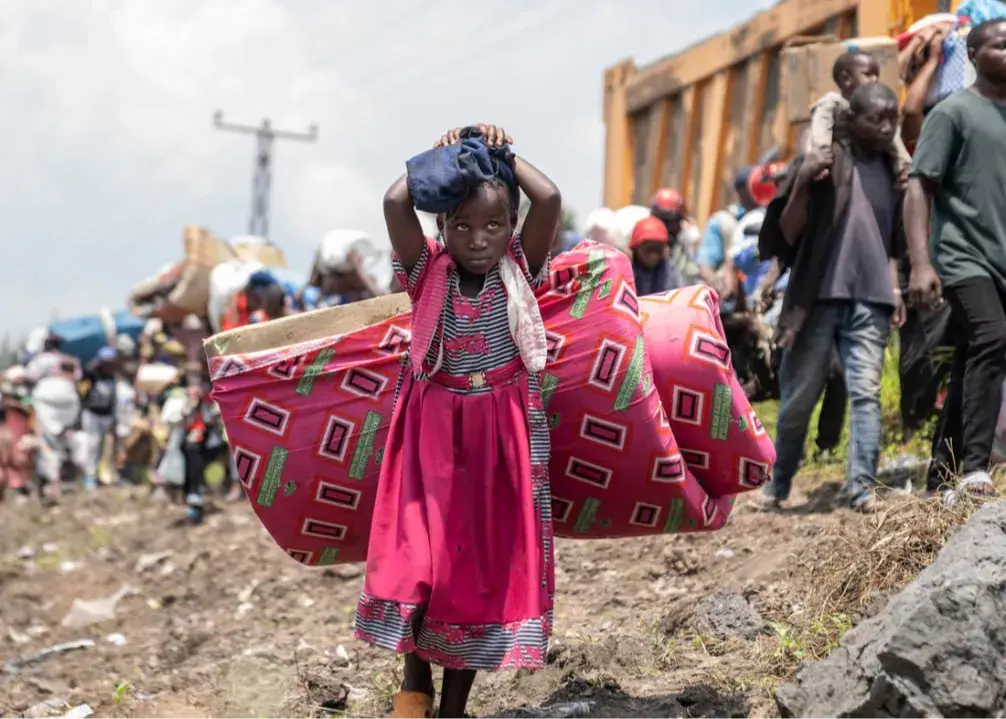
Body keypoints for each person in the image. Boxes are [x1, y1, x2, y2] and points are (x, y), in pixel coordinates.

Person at [355, 124, 559, 719]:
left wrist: (501, 155)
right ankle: (414, 680)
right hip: (430, 434)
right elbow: (395, 202)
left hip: (498, 437)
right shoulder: (427, 271)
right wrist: (447, 156)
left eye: (493, 225)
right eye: (462, 226)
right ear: (442, 227)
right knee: (417, 566)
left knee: (471, 574)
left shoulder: (519, 269)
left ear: (511, 227)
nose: (477, 239)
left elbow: (548, 198)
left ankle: (452, 711)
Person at [758, 82, 907, 512]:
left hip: (871, 299)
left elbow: (893, 242)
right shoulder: (824, 161)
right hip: (817, 300)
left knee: (865, 394)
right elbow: (787, 231)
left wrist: (894, 288)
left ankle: (861, 488)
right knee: (798, 399)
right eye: (875, 119)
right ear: (851, 119)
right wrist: (804, 178)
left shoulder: (893, 170)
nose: (885, 128)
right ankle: (778, 484)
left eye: (892, 120)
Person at [907, 19, 1006, 501]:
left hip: (1001, 257)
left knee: (972, 359)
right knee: (993, 337)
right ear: (973, 54)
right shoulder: (953, 113)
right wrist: (920, 263)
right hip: (964, 255)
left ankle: (938, 479)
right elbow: (918, 187)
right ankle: (975, 469)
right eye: (1001, 45)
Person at [808, 50, 912, 183]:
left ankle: (904, 168)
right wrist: (822, 152)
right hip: (841, 150)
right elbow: (822, 126)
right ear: (846, 79)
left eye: (876, 75)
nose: (874, 80)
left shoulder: (876, 106)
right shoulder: (834, 102)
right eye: (868, 75)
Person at [26, 333, 82, 498]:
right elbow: (78, 378)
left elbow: (29, 376)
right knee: (65, 443)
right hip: (68, 399)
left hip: (45, 400)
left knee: (47, 445)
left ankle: (54, 483)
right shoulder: (69, 360)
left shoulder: (39, 360)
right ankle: (67, 480)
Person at [79, 346, 120, 490]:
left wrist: (114, 418)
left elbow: (114, 399)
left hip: (106, 415)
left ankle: (98, 474)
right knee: (92, 444)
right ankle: (88, 475)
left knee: (103, 446)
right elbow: (82, 392)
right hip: (92, 414)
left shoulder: (113, 378)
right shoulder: (91, 375)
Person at [650, 188, 701, 285]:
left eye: (672, 220)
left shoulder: (687, 241)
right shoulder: (641, 243)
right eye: (663, 219)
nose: (667, 226)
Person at [630, 215, 681, 294]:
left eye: (658, 249)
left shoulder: (669, 272)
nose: (653, 255)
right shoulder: (626, 271)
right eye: (649, 248)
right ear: (636, 248)